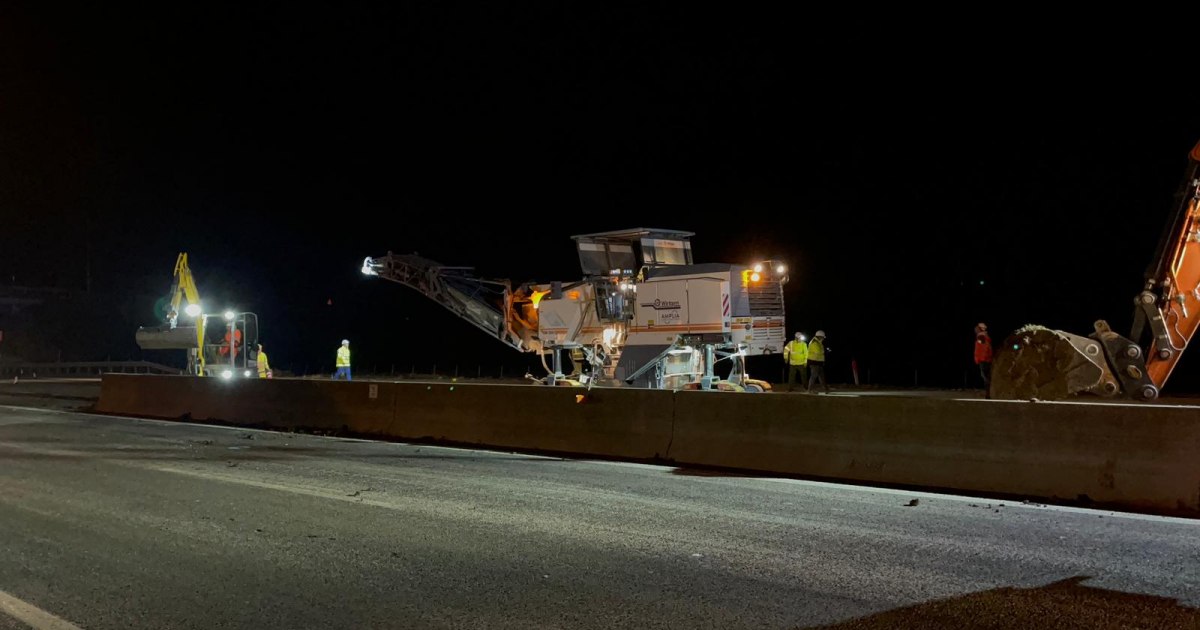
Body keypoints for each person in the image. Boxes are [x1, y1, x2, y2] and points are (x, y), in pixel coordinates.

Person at [975, 322, 993, 388]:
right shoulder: (985, 337)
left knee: (984, 375)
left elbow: (982, 348)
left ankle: (989, 388)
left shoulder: (981, 336)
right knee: (986, 375)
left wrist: (980, 358)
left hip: (983, 359)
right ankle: (988, 391)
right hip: (986, 358)